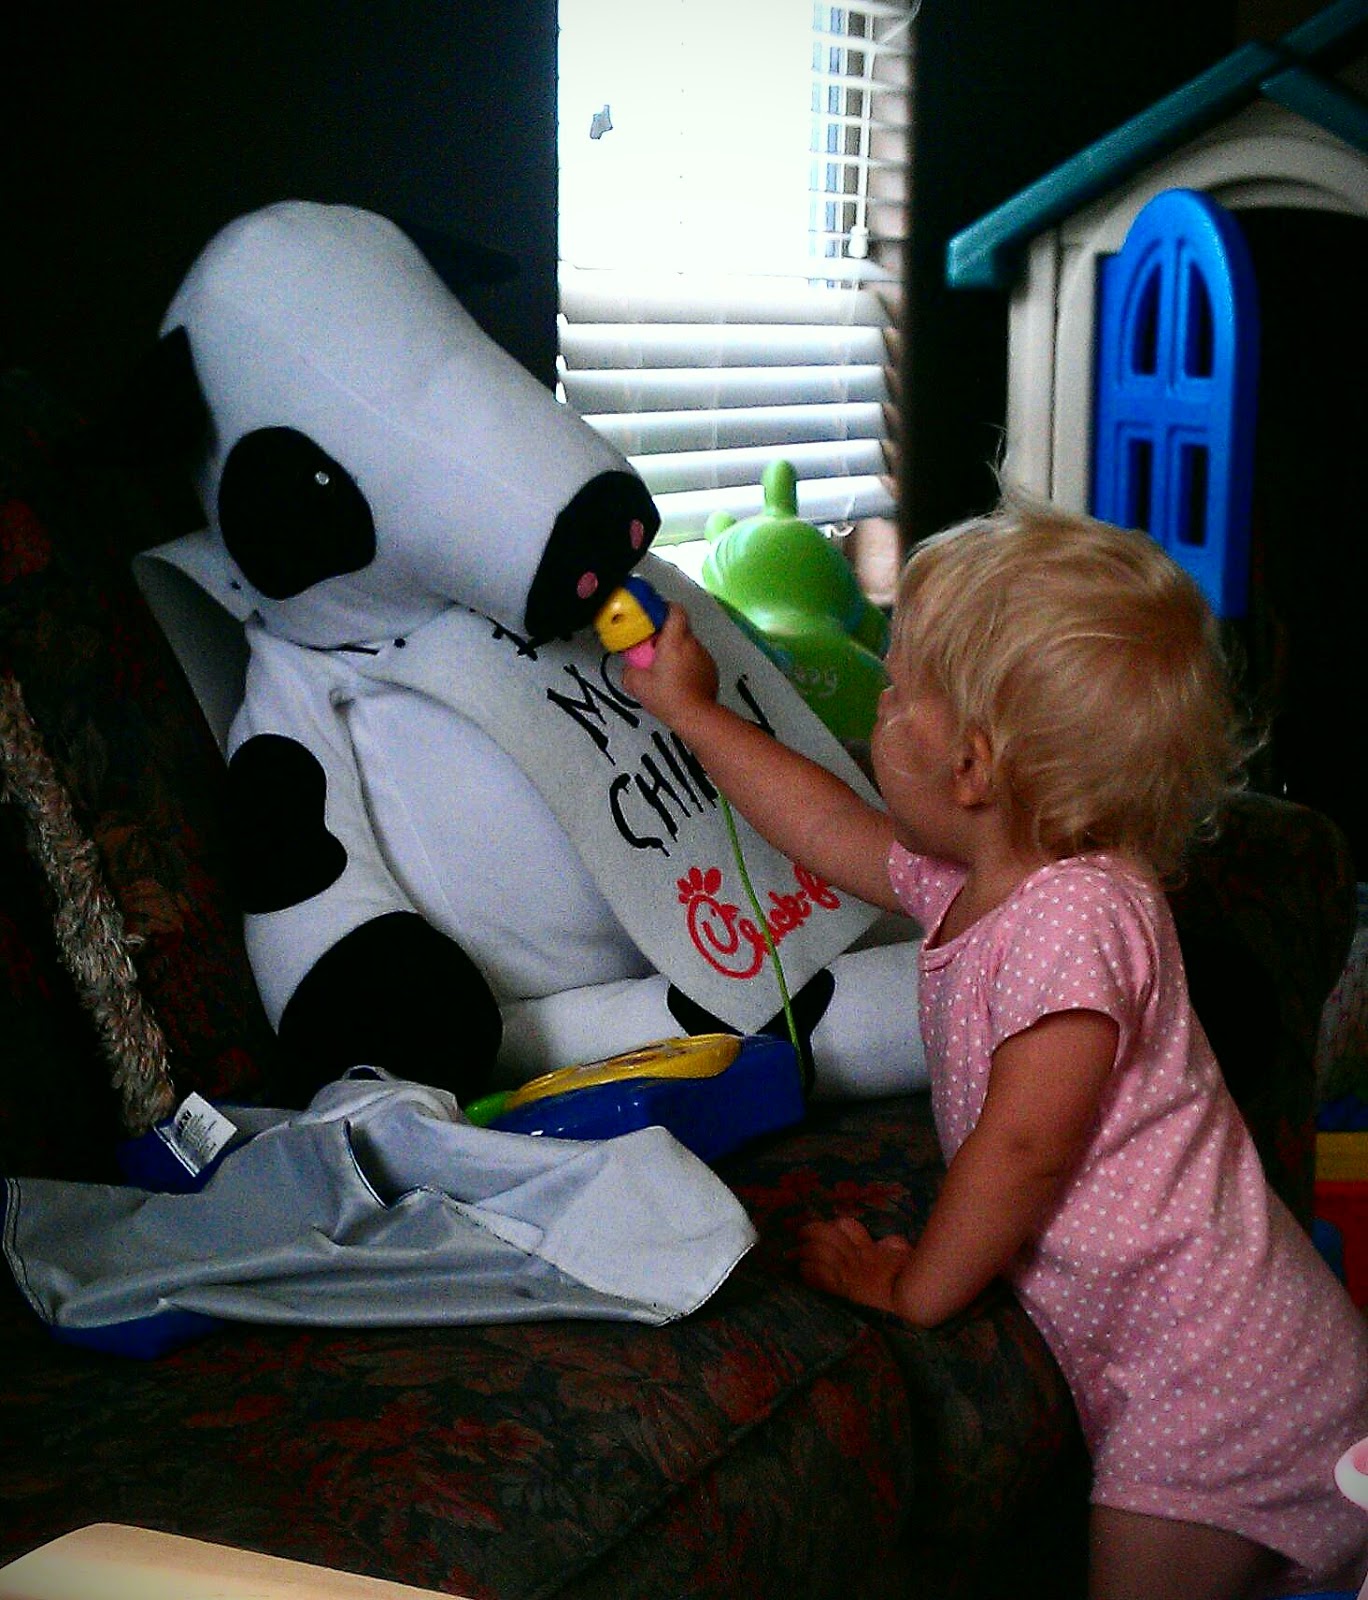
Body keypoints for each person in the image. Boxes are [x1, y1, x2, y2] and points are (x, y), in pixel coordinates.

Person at [623, 491, 1368, 1600]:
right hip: (1211, 1356)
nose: (877, 704)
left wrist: (916, 1286)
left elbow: (1024, 1149)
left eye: (896, 690)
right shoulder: (989, 877)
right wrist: (696, 715)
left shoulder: (1076, 920)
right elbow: (825, 827)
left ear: (972, 768)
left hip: (1214, 1386)